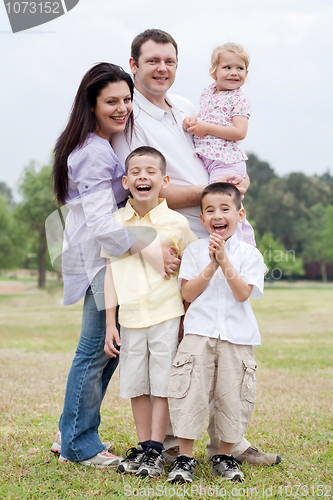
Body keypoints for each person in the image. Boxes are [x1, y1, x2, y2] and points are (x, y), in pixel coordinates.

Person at [112, 28, 281, 466]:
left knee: (223, 337)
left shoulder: (187, 107)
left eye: (169, 60)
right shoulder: (130, 119)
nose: (162, 68)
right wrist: (211, 192)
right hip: (173, 237)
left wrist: (230, 190)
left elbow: (218, 148)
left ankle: (229, 442)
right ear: (134, 66)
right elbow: (144, 188)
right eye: (152, 61)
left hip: (215, 228)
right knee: (180, 342)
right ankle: (168, 442)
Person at [51, 63, 180, 467]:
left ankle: (71, 434)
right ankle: (76, 444)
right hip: (99, 260)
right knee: (95, 352)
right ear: (91, 104)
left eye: (126, 99)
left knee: (108, 351)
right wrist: (152, 248)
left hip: (109, 258)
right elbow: (102, 225)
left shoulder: (103, 145)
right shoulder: (92, 153)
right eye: (112, 101)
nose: (123, 107)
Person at [101, 146, 197, 478]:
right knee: (135, 384)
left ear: (164, 180)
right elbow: (111, 273)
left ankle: (156, 449)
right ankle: (144, 448)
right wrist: (109, 322)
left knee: (163, 384)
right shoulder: (116, 222)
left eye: (151, 171)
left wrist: (186, 316)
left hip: (166, 315)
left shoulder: (178, 223)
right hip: (129, 318)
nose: (144, 176)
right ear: (126, 182)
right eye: (136, 172)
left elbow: (188, 272)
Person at [167, 182, 264, 483]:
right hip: (199, 333)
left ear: (240, 214)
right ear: (201, 218)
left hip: (237, 337)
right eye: (210, 210)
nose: (218, 215)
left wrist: (225, 260)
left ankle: (224, 454)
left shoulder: (250, 255)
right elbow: (189, 292)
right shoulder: (195, 251)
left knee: (232, 397)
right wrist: (211, 264)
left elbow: (242, 293)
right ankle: (184, 458)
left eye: (225, 209)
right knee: (190, 393)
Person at [183, 42, 255, 246]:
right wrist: (193, 121)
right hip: (210, 161)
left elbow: (239, 132)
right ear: (213, 72)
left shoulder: (239, 100)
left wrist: (206, 128)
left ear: (246, 73)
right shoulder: (209, 92)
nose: (234, 73)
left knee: (222, 208)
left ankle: (244, 246)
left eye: (240, 68)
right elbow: (208, 118)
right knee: (221, 207)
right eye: (227, 67)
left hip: (226, 163)